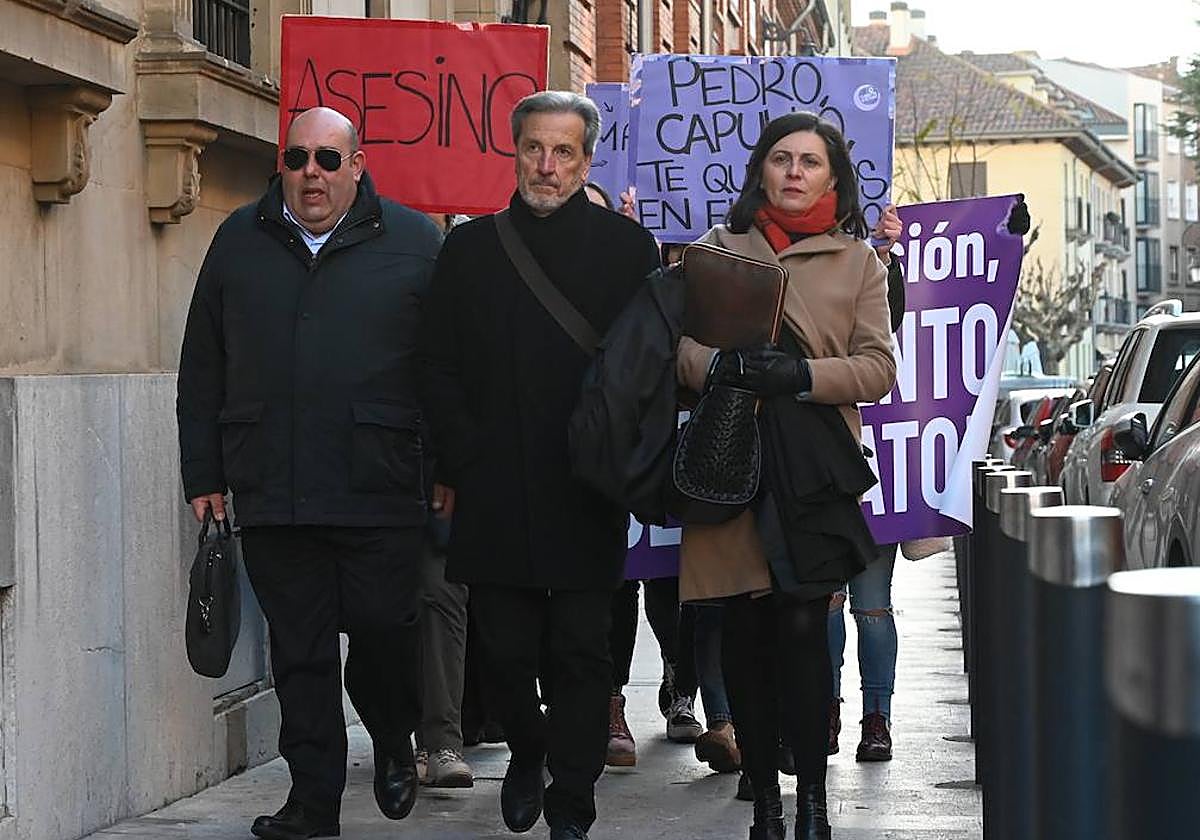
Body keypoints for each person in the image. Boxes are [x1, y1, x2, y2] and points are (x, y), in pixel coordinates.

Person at [176, 106, 443, 840]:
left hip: (380, 485)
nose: (311, 174)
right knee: (300, 655)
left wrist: (446, 469)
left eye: (328, 159)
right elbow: (203, 364)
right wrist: (203, 472)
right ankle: (313, 802)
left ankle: (393, 731)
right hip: (274, 484)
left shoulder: (416, 241)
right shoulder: (239, 239)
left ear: (357, 164)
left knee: (385, 634)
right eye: (296, 159)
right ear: (281, 165)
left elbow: (448, 369)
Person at [418, 91, 660, 840]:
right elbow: (437, 365)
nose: (547, 166)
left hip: (587, 486)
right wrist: (465, 456)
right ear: (515, 152)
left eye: (563, 152)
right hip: (495, 485)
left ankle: (574, 802)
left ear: (586, 161)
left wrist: (624, 460)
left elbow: (648, 368)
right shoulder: (469, 250)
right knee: (504, 648)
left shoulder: (628, 251)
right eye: (534, 149)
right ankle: (528, 749)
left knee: (583, 652)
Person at [673, 112, 897, 840]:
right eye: (781, 158)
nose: (794, 171)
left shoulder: (859, 262)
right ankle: (765, 805)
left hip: (810, 470)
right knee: (743, 631)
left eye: (810, 161)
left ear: (834, 177)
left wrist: (800, 376)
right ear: (761, 171)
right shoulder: (716, 250)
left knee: (803, 631)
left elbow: (879, 370)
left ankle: (813, 805)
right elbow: (677, 352)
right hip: (730, 463)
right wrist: (723, 365)